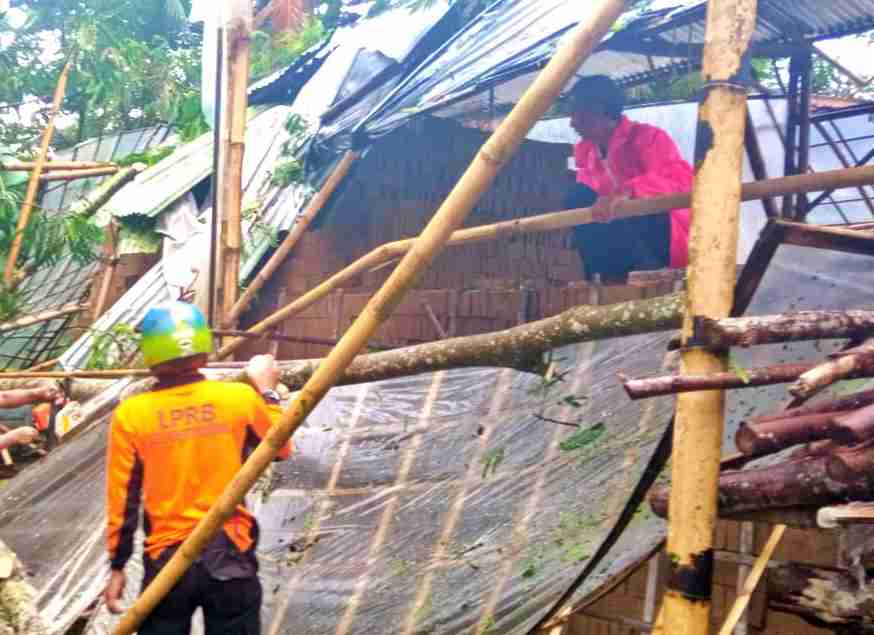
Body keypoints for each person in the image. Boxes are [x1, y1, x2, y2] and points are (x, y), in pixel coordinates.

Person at [103, 301, 291, 634]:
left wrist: (118, 567)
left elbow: (123, 501)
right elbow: (280, 449)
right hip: (230, 554)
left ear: (151, 355)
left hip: (168, 565)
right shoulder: (238, 398)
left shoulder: (132, 415)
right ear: (204, 348)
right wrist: (268, 392)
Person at [566, 74, 694, 283]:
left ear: (599, 109)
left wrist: (627, 191)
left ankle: (647, 273)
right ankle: (602, 280)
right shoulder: (588, 155)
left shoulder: (648, 137)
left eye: (577, 114)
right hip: (624, 246)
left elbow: (681, 180)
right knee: (577, 198)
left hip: (662, 244)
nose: (572, 123)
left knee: (641, 205)